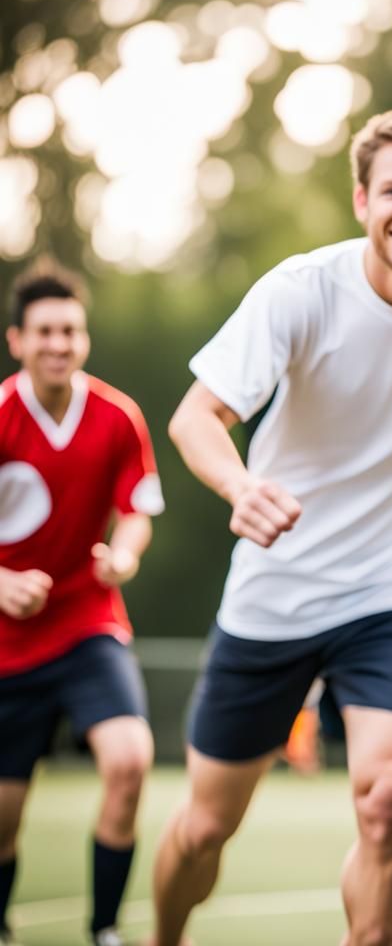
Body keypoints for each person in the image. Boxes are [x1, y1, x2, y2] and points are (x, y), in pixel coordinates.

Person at [148, 105, 392, 946]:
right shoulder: (301, 291)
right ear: (362, 200)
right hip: (278, 585)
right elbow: (196, 417)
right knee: (206, 827)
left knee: (389, 803)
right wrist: (241, 487)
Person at [0, 261, 164, 946]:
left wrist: (123, 555)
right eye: (44, 331)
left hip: (87, 624)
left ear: (85, 339)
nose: (58, 344)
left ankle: (105, 931)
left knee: (130, 760)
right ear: (17, 340)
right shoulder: (1, 415)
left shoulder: (118, 416)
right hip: (7, 649)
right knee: (4, 822)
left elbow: (138, 510)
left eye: (70, 330)